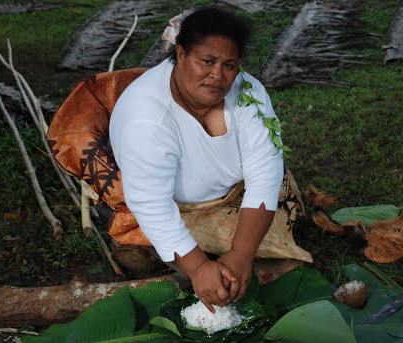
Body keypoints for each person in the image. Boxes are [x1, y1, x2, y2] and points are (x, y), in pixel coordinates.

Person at [109, 7, 284, 313]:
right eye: (207, 61)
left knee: (266, 244)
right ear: (180, 54)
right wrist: (198, 267)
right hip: (174, 209)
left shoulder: (248, 93)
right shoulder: (148, 119)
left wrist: (242, 254)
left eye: (229, 64)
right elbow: (151, 202)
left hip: (236, 197)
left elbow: (266, 172)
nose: (218, 76)